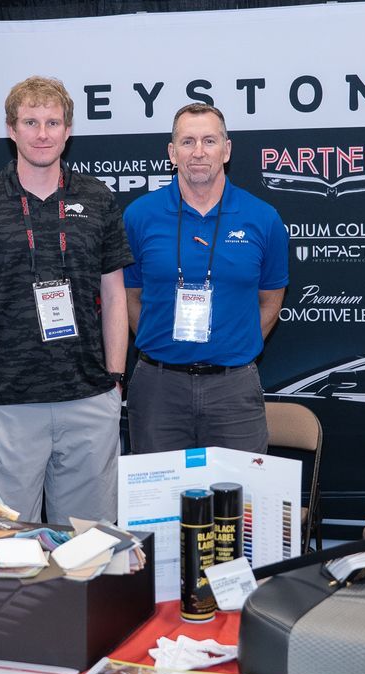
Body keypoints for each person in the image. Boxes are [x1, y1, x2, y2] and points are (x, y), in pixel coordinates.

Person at [0, 76, 131, 524]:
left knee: (89, 549)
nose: (42, 133)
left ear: (68, 131)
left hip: (87, 400)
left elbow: (115, 294)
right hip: (6, 405)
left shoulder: (98, 198)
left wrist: (115, 380)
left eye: (52, 122)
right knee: (1, 548)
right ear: (11, 129)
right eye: (30, 122)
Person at [123, 102, 289, 452]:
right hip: (158, 388)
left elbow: (271, 299)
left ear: (226, 150)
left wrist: (230, 346)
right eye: (187, 142)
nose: (198, 152)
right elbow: (129, 296)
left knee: (239, 502)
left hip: (234, 387)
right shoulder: (139, 216)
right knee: (159, 506)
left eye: (209, 141)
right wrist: (169, 346)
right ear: (172, 152)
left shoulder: (262, 217)